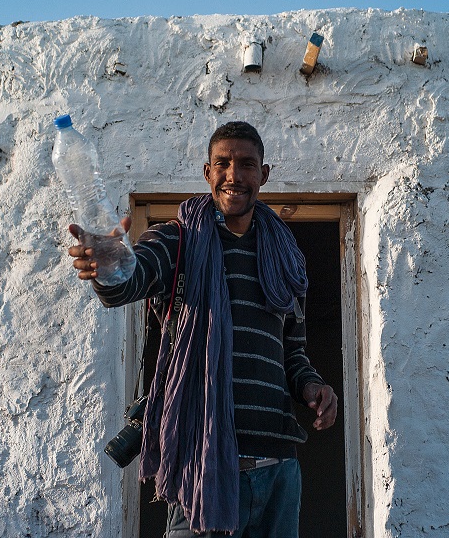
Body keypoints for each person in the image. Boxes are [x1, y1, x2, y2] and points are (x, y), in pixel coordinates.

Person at [68, 121, 337, 537]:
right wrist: (108, 267)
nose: (234, 175)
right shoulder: (178, 241)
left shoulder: (286, 257)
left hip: (279, 471)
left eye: (246, 164)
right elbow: (130, 279)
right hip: (204, 462)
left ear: (264, 174)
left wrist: (314, 387)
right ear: (207, 173)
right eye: (222, 164)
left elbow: (293, 355)